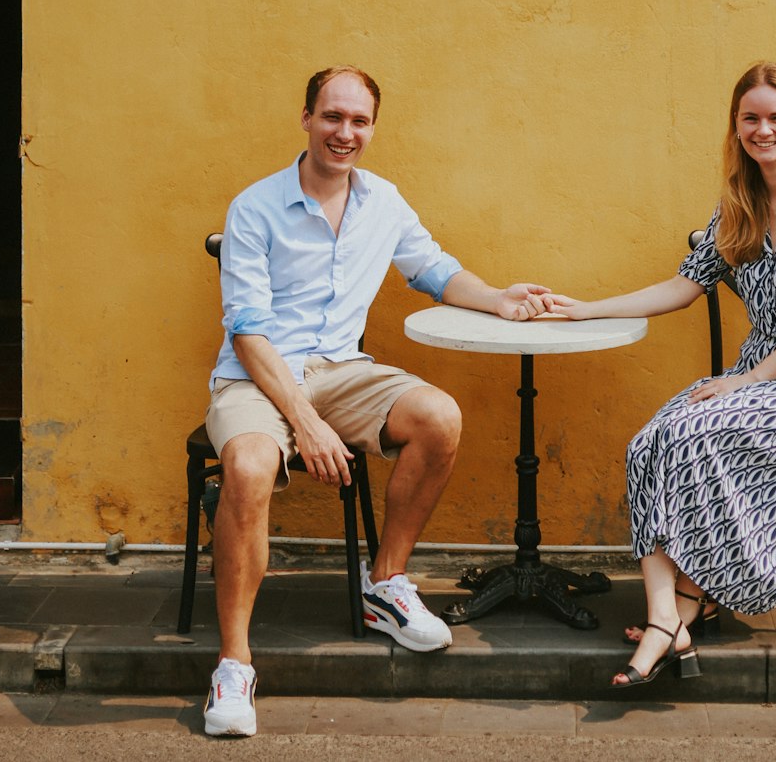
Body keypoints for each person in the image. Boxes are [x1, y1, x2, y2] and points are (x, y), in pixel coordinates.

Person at [202, 65, 553, 737]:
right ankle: (234, 664)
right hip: (256, 376)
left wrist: (499, 297)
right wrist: (304, 423)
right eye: (333, 117)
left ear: (372, 129)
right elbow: (247, 334)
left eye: (359, 121)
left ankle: (384, 586)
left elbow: (436, 271)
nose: (345, 132)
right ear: (306, 118)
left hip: (342, 370)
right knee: (248, 469)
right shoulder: (255, 206)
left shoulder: (383, 202)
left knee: (439, 416)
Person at [547, 61, 776, 691]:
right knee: (649, 443)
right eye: (751, 118)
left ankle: (676, 615)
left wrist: (747, 382)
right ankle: (671, 613)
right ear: (736, 126)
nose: (763, 130)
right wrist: (585, 307)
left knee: (689, 434)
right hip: (755, 379)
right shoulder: (738, 203)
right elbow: (683, 286)